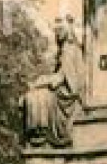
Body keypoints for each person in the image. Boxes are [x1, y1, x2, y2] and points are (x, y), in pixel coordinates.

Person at [21, 15, 86, 147]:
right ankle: (39, 137)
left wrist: (39, 82)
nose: (57, 33)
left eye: (60, 30)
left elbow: (62, 78)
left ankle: (40, 137)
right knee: (34, 96)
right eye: (56, 31)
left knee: (34, 97)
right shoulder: (66, 49)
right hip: (65, 86)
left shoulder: (69, 49)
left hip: (68, 92)